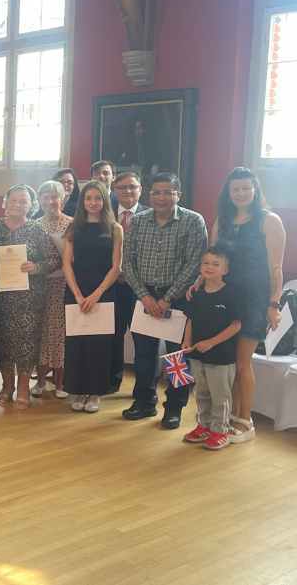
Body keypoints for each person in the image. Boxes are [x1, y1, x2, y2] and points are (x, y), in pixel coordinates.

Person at [199, 167, 286, 442]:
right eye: (235, 189)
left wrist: (274, 303)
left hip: (253, 300)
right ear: (228, 192)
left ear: (255, 190)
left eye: (246, 188)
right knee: (227, 363)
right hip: (223, 298)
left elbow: (276, 268)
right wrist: (200, 283)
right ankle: (227, 417)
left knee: (242, 362)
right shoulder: (222, 221)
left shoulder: (269, 221)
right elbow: (212, 259)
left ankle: (245, 420)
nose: (240, 193)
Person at [122, 172, 206, 429]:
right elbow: (128, 262)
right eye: (156, 192)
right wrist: (145, 296)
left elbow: (195, 263)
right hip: (144, 297)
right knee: (144, 355)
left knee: (177, 358)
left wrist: (168, 298)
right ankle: (144, 401)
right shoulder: (138, 221)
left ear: (178, 194)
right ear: (149, 195)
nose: (161, 197)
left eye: (168, 192)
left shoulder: (193, 221)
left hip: (178, 299)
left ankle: (174, 407)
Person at [0, 185, 58, 409]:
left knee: (27, 343)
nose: (18, 205)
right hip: (0, 297)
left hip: (29, 300)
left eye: (24, 201)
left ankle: (22, 387)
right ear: (5, 202)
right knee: (3, 343)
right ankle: (7, 386)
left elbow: (53, 259)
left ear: (32, 205)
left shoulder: (37, 230)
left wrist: (36, 267)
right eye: (14, 200)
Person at [62, 182, 123, 413]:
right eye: (89, 198)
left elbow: (116, 267)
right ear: (82, 201)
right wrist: (78, 294)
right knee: (77, 344)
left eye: (98, 198)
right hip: (76, 292)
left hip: (104, 292)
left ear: (105, 201)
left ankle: (96, 392)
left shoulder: (115, 228)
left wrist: (97, 294)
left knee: (99, 345)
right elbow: (66, 264)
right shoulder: (73, 228)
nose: (93, 202)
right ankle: (78, 390)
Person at [182, 246, 244, 450]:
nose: (209, 267)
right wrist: (187, 341)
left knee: (220, 396)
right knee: (201, 393)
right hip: (197, 356)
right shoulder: (197, 293)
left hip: (221, 358)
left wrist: (211, 342)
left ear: (225, 270)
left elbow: (236, 325)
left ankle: (220, 430)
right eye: (206, 263)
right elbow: (190, 319)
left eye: (216, 264)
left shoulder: (232, 294)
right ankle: (204, 426)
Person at [108, 171, 148, 393]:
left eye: (133, 187)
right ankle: (112, 382)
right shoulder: (105, 214)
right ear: (114, 190)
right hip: (112, 287)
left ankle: (144, 390)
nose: (128, 191)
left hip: (144, 291)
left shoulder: (150, 215)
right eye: (122, 187)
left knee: (144, 342)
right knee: (112, 337)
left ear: (141, 189)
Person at [33, 180, 73, 398]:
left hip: (65, 286)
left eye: (55, 196)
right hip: (39, 286)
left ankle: (60, 383)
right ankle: (40, 381)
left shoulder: (73, 224)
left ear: (63, 198)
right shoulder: (34, 225)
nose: (50, 201)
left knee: (59, 334)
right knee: (41, 333)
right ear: (39, 200)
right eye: (46, 197)